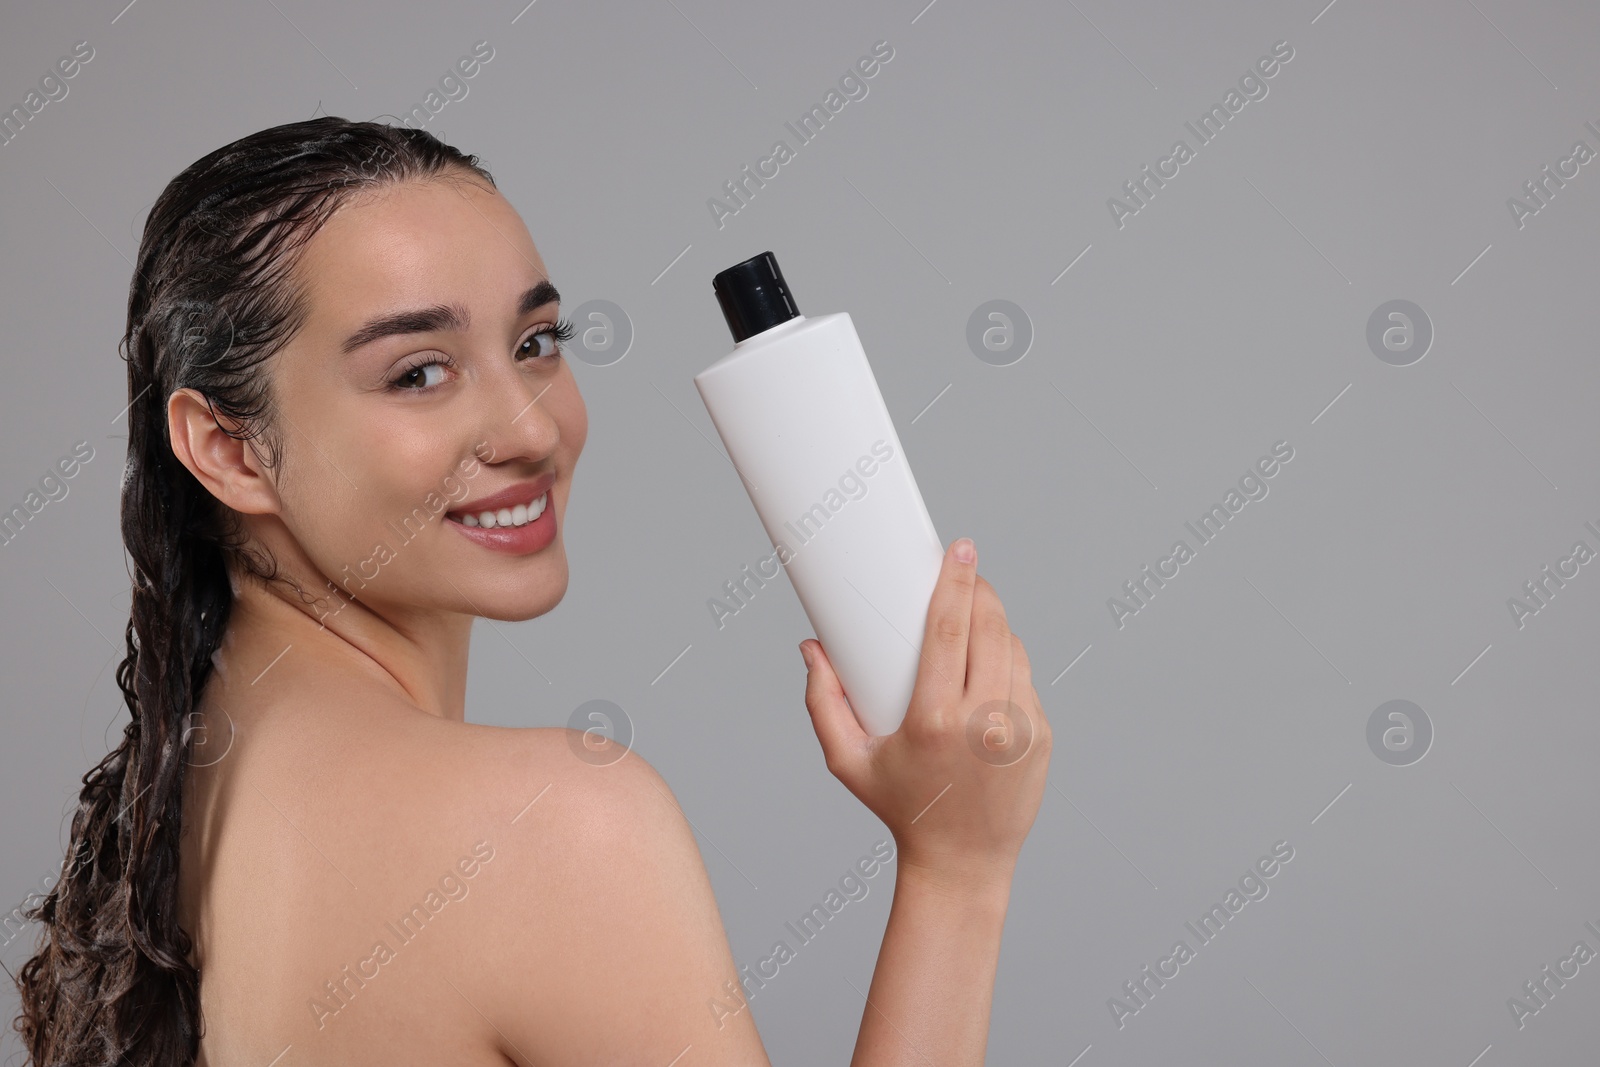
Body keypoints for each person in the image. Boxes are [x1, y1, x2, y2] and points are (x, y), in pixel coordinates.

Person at [9, 116, 1051, 1066]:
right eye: (417, 372)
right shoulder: (553, 825)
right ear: (229, 449)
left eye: (534, 343)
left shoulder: (179, 799)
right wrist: (956, 871)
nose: (532, 429)